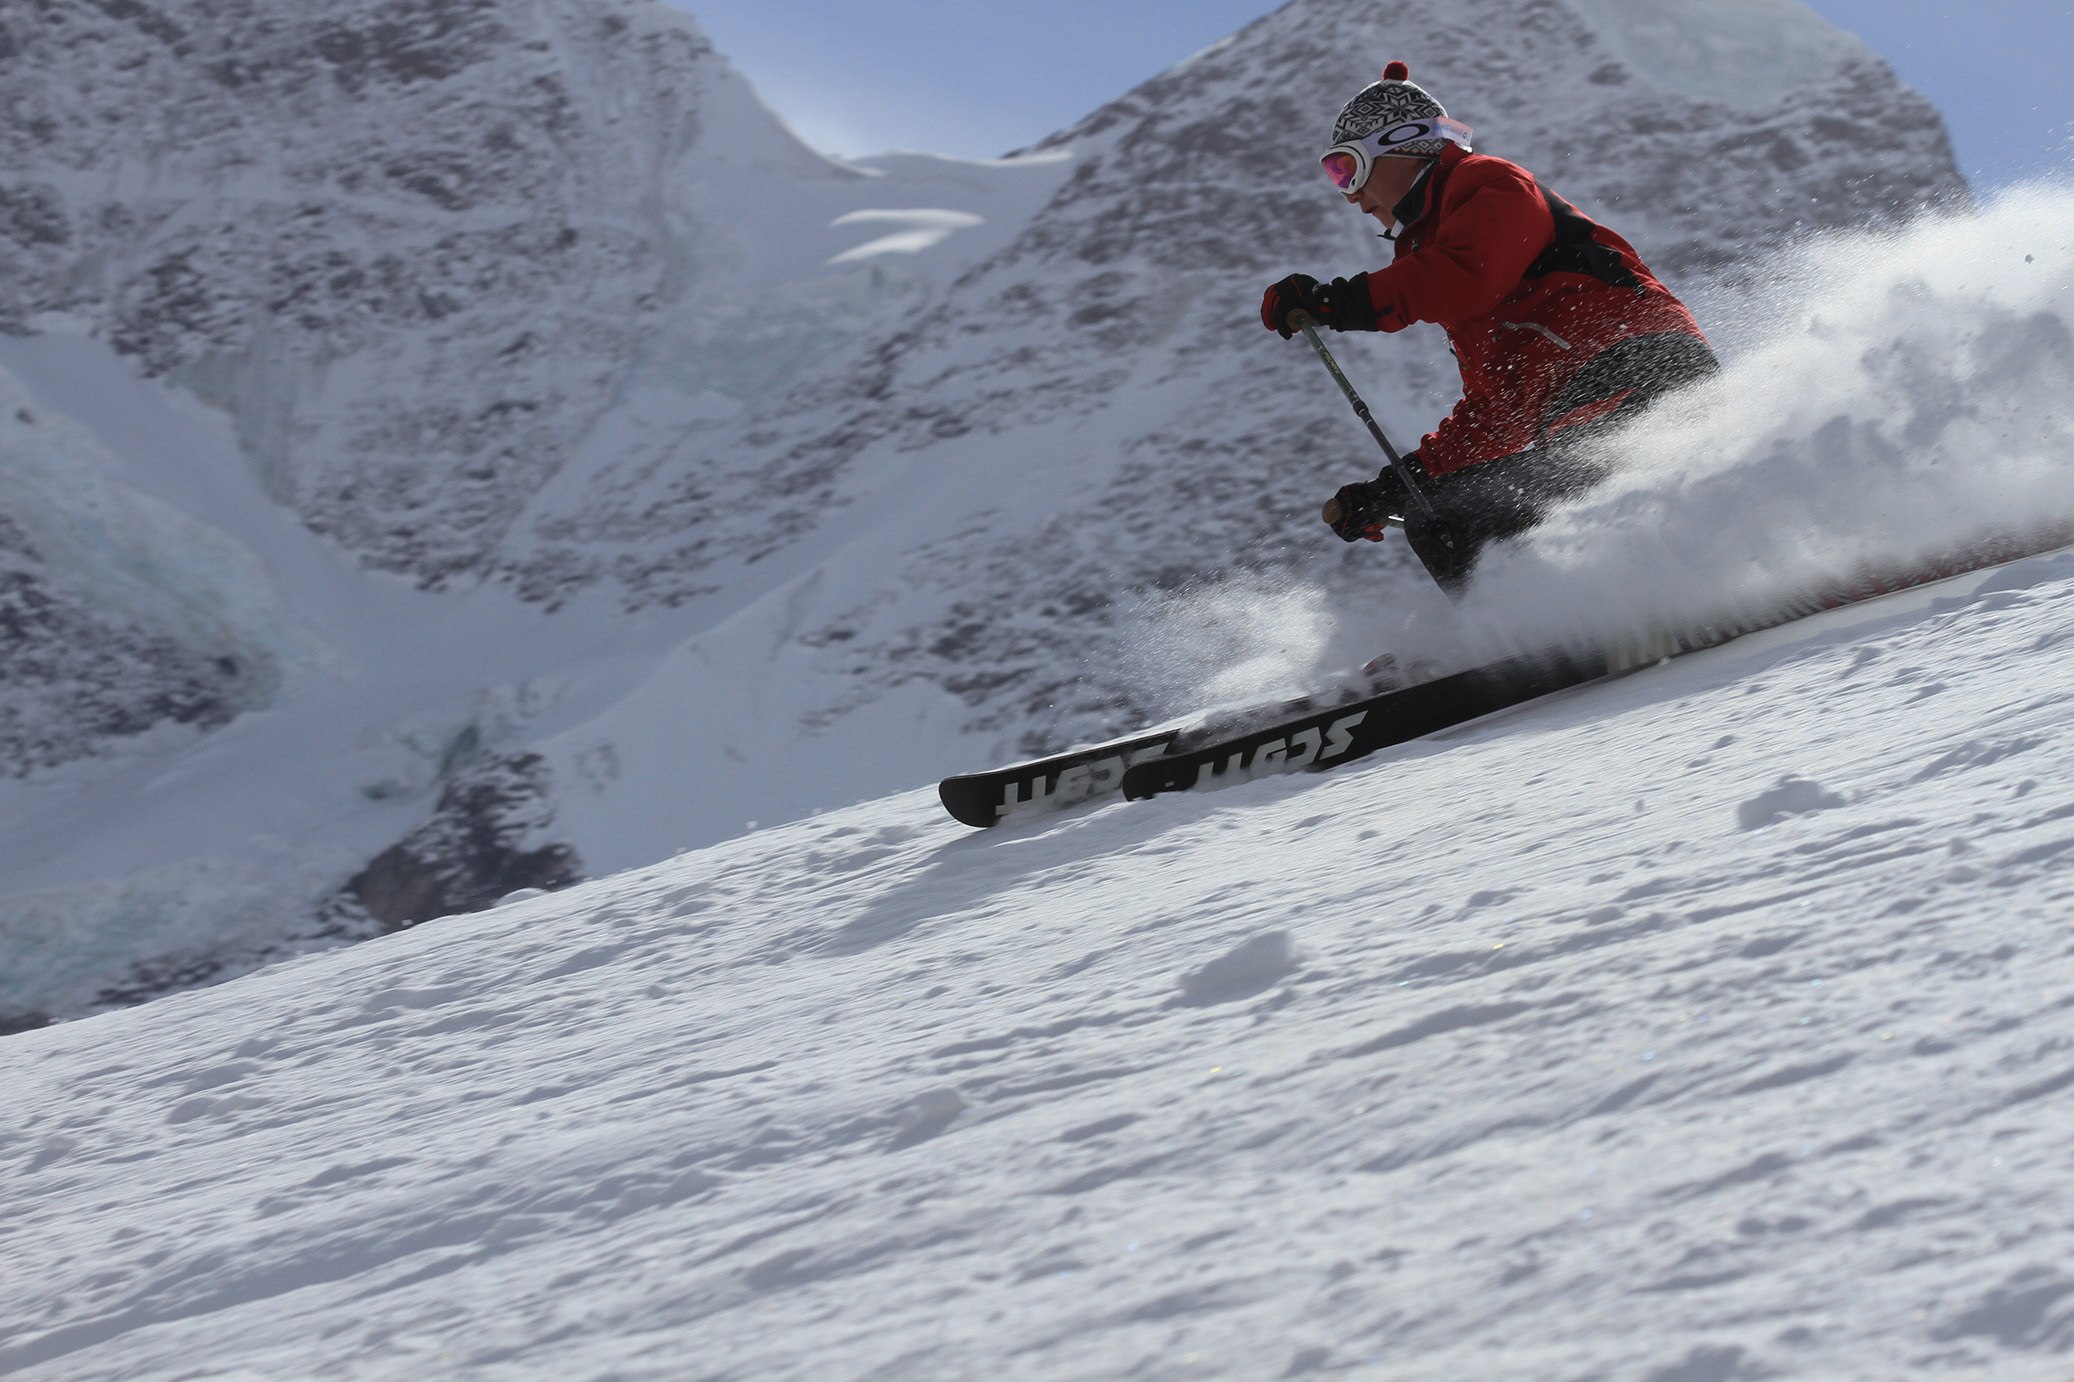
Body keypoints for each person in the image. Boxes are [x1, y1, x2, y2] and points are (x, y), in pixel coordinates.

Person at [1261, 61, 1719, 593]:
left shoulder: (1489, 183)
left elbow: (1466, 272)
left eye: (1349, 168)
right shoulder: (1442, 246)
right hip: (1583, 392)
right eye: (1336, 176)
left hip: (1632, 368)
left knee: (1455, 525)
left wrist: (1333, 303)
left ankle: (1564, 633)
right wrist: (1397, 486)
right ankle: (1524, 635)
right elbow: (1496, 410)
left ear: (1404, 144)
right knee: (1444, 518)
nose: (1349, 195)